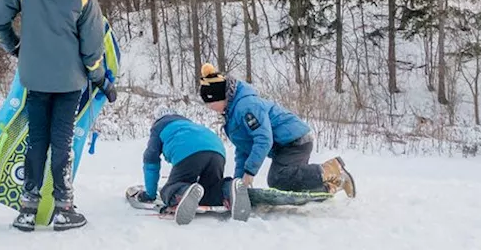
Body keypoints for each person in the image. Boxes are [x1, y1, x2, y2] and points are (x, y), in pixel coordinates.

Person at [0, 0, 116, 232]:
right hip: (69, 83)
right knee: (62, 142)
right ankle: (63, 208)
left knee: (36, 141)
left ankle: (28, 208)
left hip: (35, 79)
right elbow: (92, 51)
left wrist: (15, 46)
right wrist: (102, 81)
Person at [198, 63, 355, 197]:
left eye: (210, 103)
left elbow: (263, 139)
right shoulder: (233, 113)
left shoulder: (246, 106)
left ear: (220, 97)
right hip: (285, 145)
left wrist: (250, 172)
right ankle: (330, 186)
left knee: (278, 178)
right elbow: (243, 149)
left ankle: (333, 168)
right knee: (288, 181)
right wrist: (239, 183)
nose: (209, 108)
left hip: (295, 141)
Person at [133, 107, 228, 225]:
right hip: (217, 149)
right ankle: (228, 190)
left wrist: (150, 194)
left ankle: (183, 193)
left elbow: (151, 161)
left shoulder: (159, 127)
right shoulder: (189, 124)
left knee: (170, 190)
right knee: (210, 191)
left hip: (189, 151)